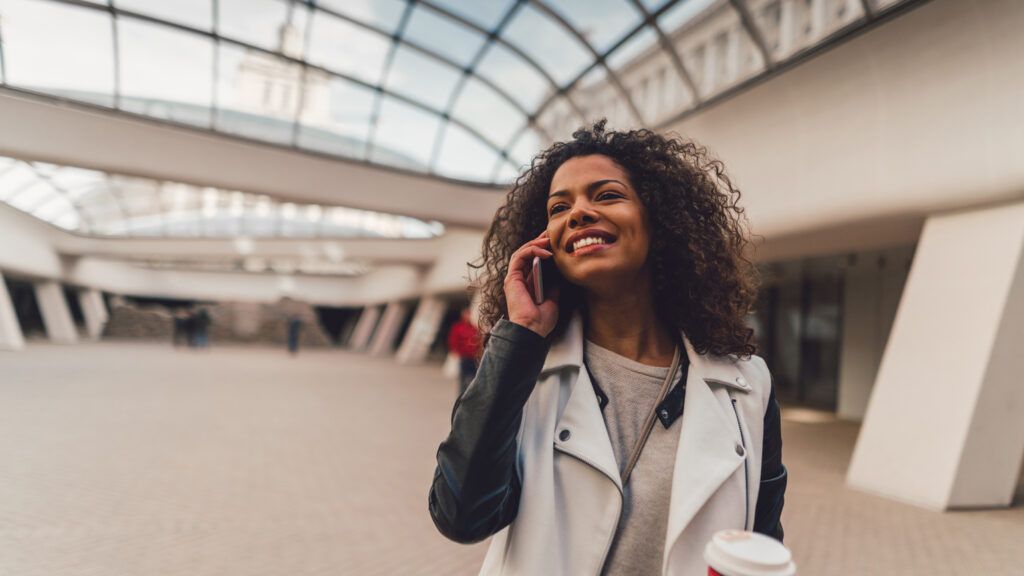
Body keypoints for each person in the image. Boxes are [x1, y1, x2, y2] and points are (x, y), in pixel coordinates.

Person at [428, 121, 786, 576]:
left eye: (607, 195)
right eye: (559, 207)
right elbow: (461, 517)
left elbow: (761, 542)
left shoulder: (747, 387)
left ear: (660, 220)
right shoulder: (524, 371)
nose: (578, 213)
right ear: (546, 243)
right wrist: (520, 334)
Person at [447, 306, 481, 396]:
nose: (468, 316)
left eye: (469, 314)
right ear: (463, 315)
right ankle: (461, 395)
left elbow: (478, 340)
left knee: (474, 377)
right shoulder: (458, 327)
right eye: (466, 314)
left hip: (473, 357)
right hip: (464, 357)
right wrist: (455, 351)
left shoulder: (473, 328)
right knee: (463, 377)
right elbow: (453, 339)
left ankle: (471, 394)